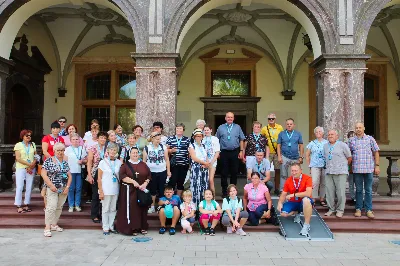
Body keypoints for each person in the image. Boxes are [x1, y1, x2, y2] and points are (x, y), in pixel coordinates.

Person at [348, 122, 380, 219]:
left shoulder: (370, 139)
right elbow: (347, 154)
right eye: (356, 127)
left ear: (364, 128)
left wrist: (377, 166)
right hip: (357, 169)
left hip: (368, 169)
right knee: (358, 190)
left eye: (360, 127)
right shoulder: (351, 140)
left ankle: (369, 210)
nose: (358, 129)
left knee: (368, 190)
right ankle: (358, 209)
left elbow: (376, 152)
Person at [117, 147, 151, 236]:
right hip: (130, 191)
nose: (135, 154)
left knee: (143, 208)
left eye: (136, 152)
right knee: (133, 209)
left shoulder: (143, 164)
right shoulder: (125, 165)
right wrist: (133, 182)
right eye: (133, 153)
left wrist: (145, 183)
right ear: (129, 154)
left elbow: (149, 175)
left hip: (141, 190)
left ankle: (143, 227)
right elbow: (122, 176)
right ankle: (133, 227)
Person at [41, 143, 72, 237]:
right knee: (51, 206)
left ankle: (54, 224)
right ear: (54, 151)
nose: (60, 152)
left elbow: (69, 176)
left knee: (59, 206)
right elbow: (43, 174)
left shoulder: (65, 162)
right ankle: (47, 227)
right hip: (52, 188)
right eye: (58, 150)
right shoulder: (49, 161)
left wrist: (67, 187)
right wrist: (50, 185)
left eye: (62, 150)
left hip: (63, 188)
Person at [277, 163, 313, 236]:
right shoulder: (289, 180)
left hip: (304, 202)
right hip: (293, 202)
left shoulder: (308, 178)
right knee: (283, 213)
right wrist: (279, 203)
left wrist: (294, 195)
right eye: (292, 171)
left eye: (296, 171)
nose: (294, 172)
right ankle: (296, 212)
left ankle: (306, 225)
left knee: (306, 200)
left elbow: (308, 193)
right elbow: (284, 194)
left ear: (301, 170)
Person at [323, 130, 352, 217]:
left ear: (337, 136)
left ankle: (340, 210)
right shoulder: (325, 146)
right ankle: (331, 209)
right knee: (329, 192)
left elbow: (349, 157)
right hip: (329, 171)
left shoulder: (342, 145)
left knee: (340, 192)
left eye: (332, 134)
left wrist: (344, 166)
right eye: (329, 135)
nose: (330, 136)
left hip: (340, 172)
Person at [216, 112, 245, 197]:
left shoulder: (237, 127)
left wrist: (241, 151)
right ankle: (224, 192)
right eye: (228, 117)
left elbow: (241, 139)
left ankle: (233, 192)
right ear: (225, 118)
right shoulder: (220, 127)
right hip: (223, 152)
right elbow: (216, 140)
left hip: (234, 151)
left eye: (231, 117)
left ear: (233, 118)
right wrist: (217, 152)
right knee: (224, 172)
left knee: (234, 172)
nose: (230, 118)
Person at [143, 131, 171, 213]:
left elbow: (167, 159)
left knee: (162, 189)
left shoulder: (163, 147)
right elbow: (144, 161)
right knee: (153, 189)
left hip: (162, 171)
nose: (158, 141)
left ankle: (161, 206)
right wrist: (145, 173)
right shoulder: (147, 148)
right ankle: (152, 206)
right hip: (151, 172)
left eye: (159, 139)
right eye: (156, 139)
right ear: (152, 139)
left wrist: (168, 171)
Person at [98, 143, 122, 235]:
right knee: (105, 208)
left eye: (114, 150)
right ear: (107, 151)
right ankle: (105, 227)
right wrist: (100, 191)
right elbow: (99, 178)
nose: (112, 152)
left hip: (115, 188)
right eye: (111, 150)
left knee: (113, 208)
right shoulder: (103, 162)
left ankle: (111, 226)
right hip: (105, 189)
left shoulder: (119, 162)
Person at [41, 122, 65, 210]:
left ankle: (56, 205)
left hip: (59, 164)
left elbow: (62, 151)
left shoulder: (61, 139)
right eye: (54, 128)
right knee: (47, 184)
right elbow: (45, 151)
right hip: (49, 163)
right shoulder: (46, 138)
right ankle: (46, 205)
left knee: (57, 183)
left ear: (60, 129)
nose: (55, 130)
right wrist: (53, 160)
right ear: (51, 129)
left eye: (57, 128)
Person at [14, 130, 39, 213]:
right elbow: (18, 158)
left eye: (30, 135)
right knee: (20, 186)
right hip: (21, 168)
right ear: (22, 136)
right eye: (26, 135)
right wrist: (29, 164)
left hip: (31, 168)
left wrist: (33, 163)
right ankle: (18, 205)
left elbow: (36, 156)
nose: (29, 137)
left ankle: (26, 204)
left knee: (29, 186)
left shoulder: (33, 144)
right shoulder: (18, 145)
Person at [87, 131, 109, 223]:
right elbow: (89, 162)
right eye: (101, 137)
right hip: (96, 172)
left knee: (105, 193)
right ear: (98, 138)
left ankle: (103, 214)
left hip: (106, 172)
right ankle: (95, 215)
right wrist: (89, 175)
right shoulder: (93, 148)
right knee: (96, 194)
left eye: (104, 138)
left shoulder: (108, 148)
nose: (103, 139)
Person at [277, 118, 304, 191]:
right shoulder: (281, 134)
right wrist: (279, 156)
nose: (289, 125)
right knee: (283, 174)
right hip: (284, 156)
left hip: (295, 157)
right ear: (285, 125)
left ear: (294, 125)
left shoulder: (298, 134)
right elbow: (278, 145)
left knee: (296, 174)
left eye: (291, 124)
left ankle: (297, 189)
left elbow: (301, 145)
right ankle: (283, 190)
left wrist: (301, 157)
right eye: (287, 124)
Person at [261, 113, 284, 195]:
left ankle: (277, 188)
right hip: (268, 152)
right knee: (265, 170)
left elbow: (282, 138)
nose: (271, 120)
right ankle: (266, 187)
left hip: (277, 152)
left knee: (277, 170)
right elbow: (261, 139)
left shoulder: (280, 127)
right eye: (269, 119)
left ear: (275, 119)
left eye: (272, 119)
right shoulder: (264, 129)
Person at [306, 126, 328, 207]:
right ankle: (314, 198)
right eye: (316, 132)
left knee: (324, 182)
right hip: (314, 165)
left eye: (320, 132)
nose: (318, 133)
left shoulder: (327, 142)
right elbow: (307, 155)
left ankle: (322, 198)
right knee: (314, 182)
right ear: (315, 133)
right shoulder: (312, 143)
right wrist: (309, 165)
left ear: (322, 133)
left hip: (325, 166)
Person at [65, 133, 87, 212]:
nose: (75, 141)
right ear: (70, 141)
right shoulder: (67, 149)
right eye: (73, 139)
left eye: (77, 139)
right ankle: (71, 205)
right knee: (71, 188)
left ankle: (77, 205)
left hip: (79, 171)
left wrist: (83, 161)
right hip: (70, 172)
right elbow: (65, 161)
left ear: (79, 140)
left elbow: (86, 160)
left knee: (78, 188)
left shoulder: (82, 149)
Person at [166, 123, 190, 196]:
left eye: (180, 128)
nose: (179, 130)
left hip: (184, 164)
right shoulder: (170, 138)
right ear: (175, 129)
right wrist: (171, 151)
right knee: (172, 182)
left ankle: (178, 199)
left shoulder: (187, 139)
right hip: (174, 164)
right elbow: (166, 150)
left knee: (181, 182)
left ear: (183, 130)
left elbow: (190, 151)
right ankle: (171, 198)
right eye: (177, 128)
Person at [189, 129, 209, 205]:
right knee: (196, 186)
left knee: (204, 186)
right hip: (196, 168)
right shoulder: (192, 146)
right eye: (197, 136)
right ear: (194, 137)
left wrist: (207, 164)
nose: (198, 137)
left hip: (204, 168)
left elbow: (206, 156)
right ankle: (195, 206)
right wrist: (204, 163)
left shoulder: (204, 146)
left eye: (200, 136)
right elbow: (194, 157)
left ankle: (203, 206)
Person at [202, 124, 220, 196]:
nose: (206, 131)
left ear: (211, 130)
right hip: (204, 162)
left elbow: (217, 151)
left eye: (207, 130)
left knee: (211, 180)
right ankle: (205, 197)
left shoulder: (215, 139)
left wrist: (211, 162)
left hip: (213, 162)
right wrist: (206, 162)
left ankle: (213, 197)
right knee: (204, 180)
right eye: (205, 130)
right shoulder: (202, 139)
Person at [346, 130, 356, 204]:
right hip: (349, 168)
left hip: (358, 168)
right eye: (350, 136)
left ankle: (359, 198)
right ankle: (353, 198)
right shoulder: (345, 146)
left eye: (353, 136)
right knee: (351, 183)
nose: (351, 138)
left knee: (359, 185)